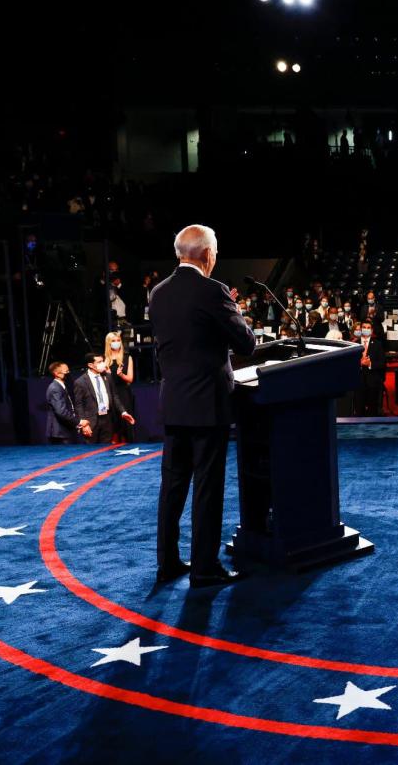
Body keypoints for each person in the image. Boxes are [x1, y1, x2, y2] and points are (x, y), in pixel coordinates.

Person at [149, 224, 256, 588]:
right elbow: (246, 344)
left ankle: (167, 564)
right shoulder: (213, 291)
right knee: (207, 489)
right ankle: (205, 568)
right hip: (208, 406)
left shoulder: (158, 293)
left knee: (173, 487)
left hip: (175, 404)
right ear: (208, 254)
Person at [73, 353, 136, 444]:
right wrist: (83, 423)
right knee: (91, 453)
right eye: (99, 362)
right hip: (91, 422)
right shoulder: (80, 382)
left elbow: (115, 396)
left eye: (102, 361)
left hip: (107, 420)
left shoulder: (108, 377)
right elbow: (79, 404)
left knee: (106, 452)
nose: (103, 364)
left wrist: (123, 412)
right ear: (90, 365)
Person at [104, 331, 136, 442]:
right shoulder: (104, 360)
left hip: (123, 393)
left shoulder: (127, 358)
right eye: (113, 341)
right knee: (112, 425)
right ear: (109, 343)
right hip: (109, 394)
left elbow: (130, 379)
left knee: (126, 425)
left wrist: (121, 374)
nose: (116, 343)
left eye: (118, 340)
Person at [45, 360, 87, 444]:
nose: (69, 373)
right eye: (66, 372)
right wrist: (79, 422)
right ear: (57, 373)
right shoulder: (55, 388)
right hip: (60, 433)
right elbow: (61, 411)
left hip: (65, 431)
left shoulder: (62, 386)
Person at [354, 319, 386, 417]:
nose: (366, 329)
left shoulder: (378, 344)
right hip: (358, 382)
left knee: (372, 410)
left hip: (373, 381)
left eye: (368, 328)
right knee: (359, 409)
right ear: (360, 329)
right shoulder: (354, 344)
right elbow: (347, 362)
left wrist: (370, 363)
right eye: (364, 327)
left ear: (372, 331)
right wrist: (359, 363)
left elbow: (382, 363)